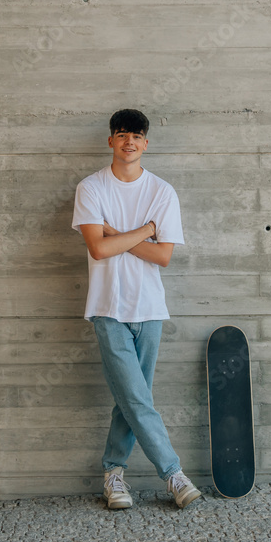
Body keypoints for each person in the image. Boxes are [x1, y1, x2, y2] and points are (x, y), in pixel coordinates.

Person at [72, 108, 201, 510]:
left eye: (137, 136)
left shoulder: (162, 192)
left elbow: (163, 258)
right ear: (111, 140)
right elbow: (99, 248)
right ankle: (173, 475)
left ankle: (113, 474)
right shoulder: (91, 188)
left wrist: (117, 231)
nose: (130, 141)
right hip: (108, 308)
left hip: (148, 310)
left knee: (131, 398)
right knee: (136, 398)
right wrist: (144, 230)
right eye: (122, 134)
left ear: (146, 143)